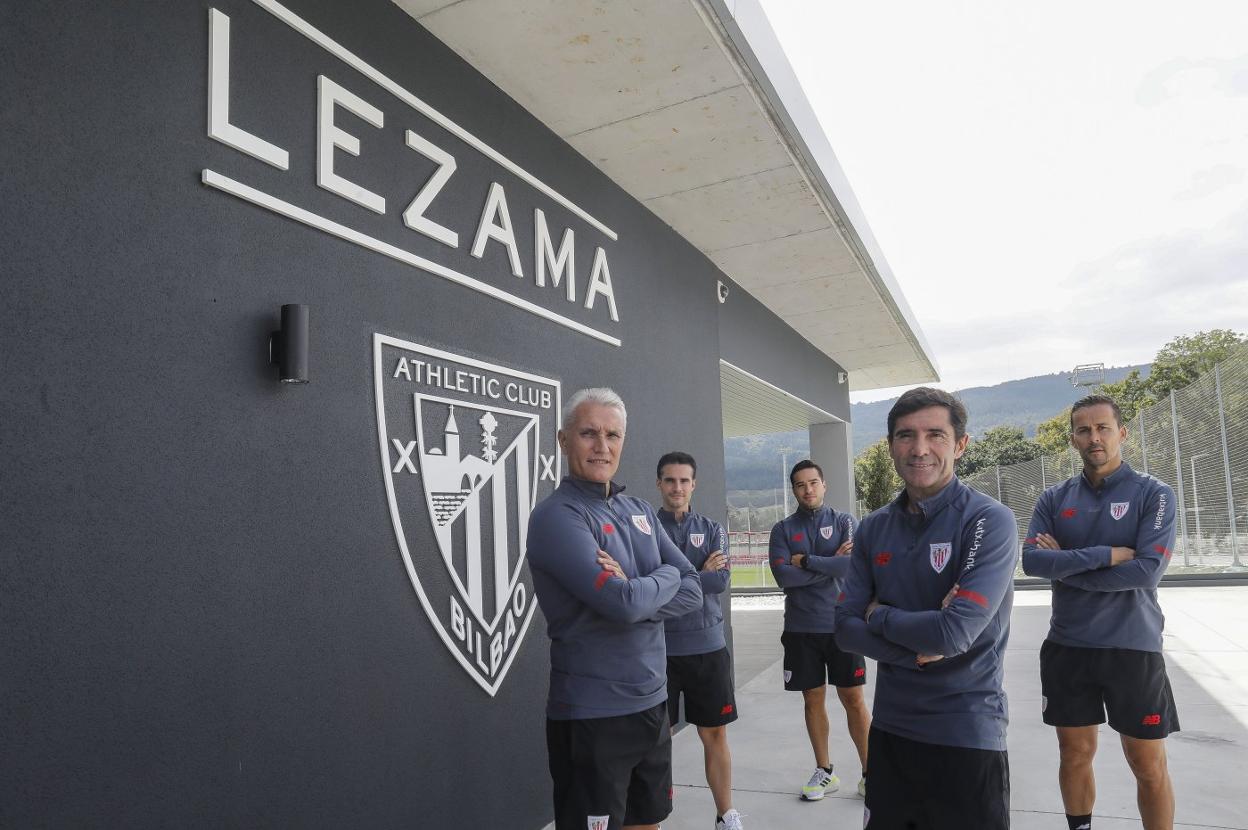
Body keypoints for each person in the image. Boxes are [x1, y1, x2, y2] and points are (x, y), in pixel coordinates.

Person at [835, 387, 1016, 830]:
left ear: (960, 444)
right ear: (891, 445)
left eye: (935, 434)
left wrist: (879, 616)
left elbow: (953, 634)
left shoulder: (987, 521)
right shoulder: (875, 526)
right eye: (905, 436)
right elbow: (842, 628)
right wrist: (914, 647)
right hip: (892, 732)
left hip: (966, 734)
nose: (919, 449)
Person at [527, 388, 703, 830]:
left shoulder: (639, 509)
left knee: (649, 823)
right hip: (592, 716)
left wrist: (640, 587)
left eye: (613, 435)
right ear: (563, 439)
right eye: (589, 433)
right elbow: (621, 604)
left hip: (652, 703)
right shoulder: (556, 517)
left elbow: (695, 588)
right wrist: (662, 579)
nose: (602, 446)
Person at [1021, 394, 1178, 830]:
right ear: (1072, 439)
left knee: (1146, 763)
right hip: (1069, 646)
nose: (1094, 438)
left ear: (1121, 433)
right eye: (1084, 430)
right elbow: (1033, 561)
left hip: (1133, 647)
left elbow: (1147, 572)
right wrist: (1107, 555)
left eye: (1103, 428)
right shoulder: (1054, 499)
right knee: (1074, 755)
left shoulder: (1154, 494)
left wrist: (1067, 566)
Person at [768, 459, 870, 802]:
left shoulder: (844, 521)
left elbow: (851, 565)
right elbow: (784, 578)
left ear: (824, 485)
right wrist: (829, 566)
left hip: (843, 625)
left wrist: (807, 561)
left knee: (853, 699)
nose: (807, 489)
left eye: (813, 482)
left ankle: (871, 773)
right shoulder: (782, 530)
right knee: (813, 700)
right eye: (800, 484)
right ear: (794, 489)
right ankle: (825, 771)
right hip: (801, 629)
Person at [654, 451, 744, 830]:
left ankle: (726, 815)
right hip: (658, 652)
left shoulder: (712, 528)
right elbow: (642, 586)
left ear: (694, 484)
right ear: (659, 483)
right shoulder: (643, 529)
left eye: (684, 480)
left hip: (708, 649)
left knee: (714, 734)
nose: (677, 487)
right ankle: (650, 820)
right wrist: (695, 576)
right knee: (656, 742)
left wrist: (667, 581)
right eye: (670, 480)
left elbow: (720, 582)